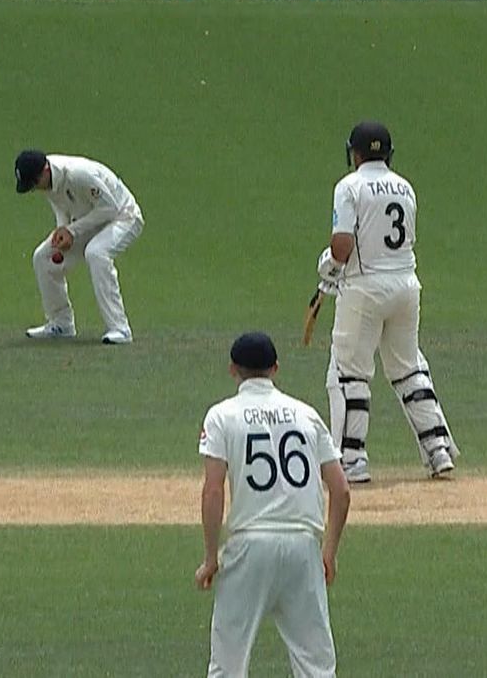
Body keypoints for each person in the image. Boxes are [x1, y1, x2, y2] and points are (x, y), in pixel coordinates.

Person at [196, 332, 350, 678]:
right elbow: (341, 491)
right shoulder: (307, 415)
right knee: (317, 667)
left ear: (232, 369)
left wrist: (210, 558)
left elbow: (213, 491)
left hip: (249, 547)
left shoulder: (221, 416)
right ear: (275, 369)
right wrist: (328, 552)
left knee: (227, 666)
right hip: (303, 547)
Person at [317, 121, 458, 484]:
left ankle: (351, 461)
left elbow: (342, 245)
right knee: (408, 368)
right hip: (406, 286)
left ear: (355, 153)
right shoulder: (405, 187)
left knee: (348, 373)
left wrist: (330, 266)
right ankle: (438, 451)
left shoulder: (349, 186)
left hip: (365, 287)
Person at [14, 149, 144, 344]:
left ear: (45, 170)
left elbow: (110, 209)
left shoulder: (78, 174)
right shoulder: (47, 181)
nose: (35, 188)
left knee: (96, 253)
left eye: (34, 183)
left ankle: (120, 328)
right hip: (90, 219)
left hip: (124, 217)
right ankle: (61, 324)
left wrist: (72, 231)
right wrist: (62, 231)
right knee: (42, 257)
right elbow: (61, 207)